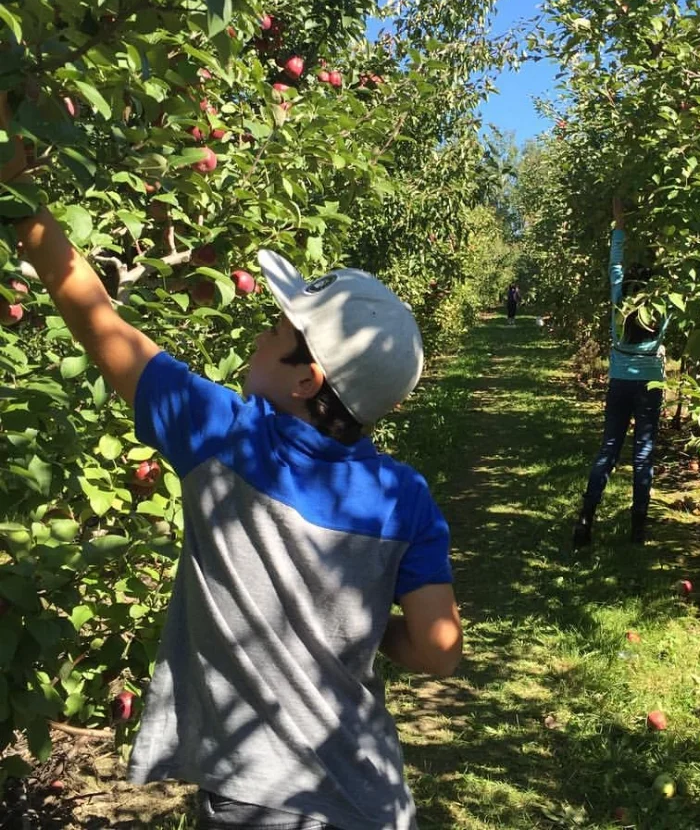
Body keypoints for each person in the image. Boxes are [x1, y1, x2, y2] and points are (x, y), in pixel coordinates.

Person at [0, 92, 462, 830]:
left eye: (275, 330)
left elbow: (97, 319)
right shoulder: (404, 496)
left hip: (260, 799)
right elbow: (438, 651)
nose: (259, 336)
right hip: (375, 796)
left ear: (307, 380)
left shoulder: (223, 437)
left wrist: (20, 190)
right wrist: (369, 630)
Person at [573, 197, 669, 548]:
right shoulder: (662, 308)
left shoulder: (619, 302)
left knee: (608, 449)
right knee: (643, 454)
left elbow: (614, 263)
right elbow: (675, 278)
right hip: (650, 385)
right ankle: (638, 529)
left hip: (620, 383)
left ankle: (586, 518)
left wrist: (620, 224)